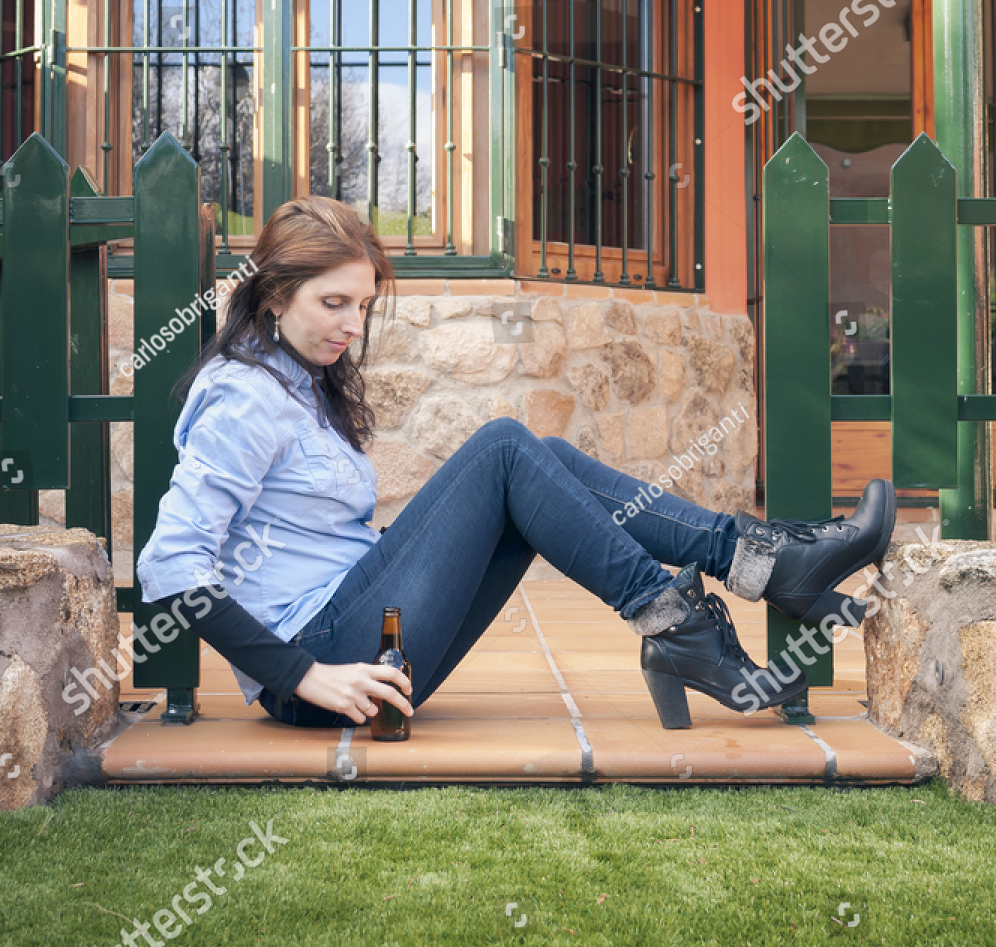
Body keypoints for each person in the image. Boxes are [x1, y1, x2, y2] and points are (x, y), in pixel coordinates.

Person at [137, 197, 895, 733]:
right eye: (334, 303)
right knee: (505, 449)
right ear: (272, 295)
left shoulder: (299, 384)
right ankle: (700, 611)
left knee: (547, 460)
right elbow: (169, 566)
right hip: (330, 669)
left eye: (363, 305)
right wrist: (304, 676)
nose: (353, 325)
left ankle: (753, 570)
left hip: (367, 635)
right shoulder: (243, 397)